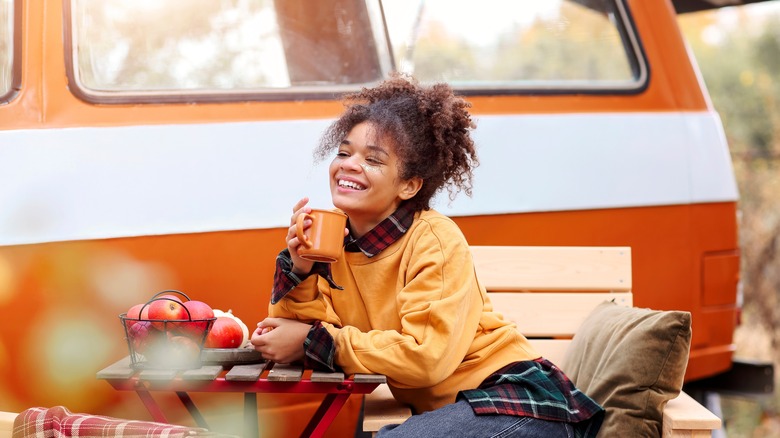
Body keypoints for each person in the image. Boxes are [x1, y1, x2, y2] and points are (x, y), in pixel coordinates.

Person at [250, 74, 604, 437]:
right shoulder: (335, 243)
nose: (349, 164)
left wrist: (315, 343)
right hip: (453, 413)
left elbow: (425, 358)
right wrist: (301, 267)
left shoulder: (433, 238)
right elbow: (293, 331)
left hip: (516, 402)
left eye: (373, 159)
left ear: (409, 185)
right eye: (344, 152)